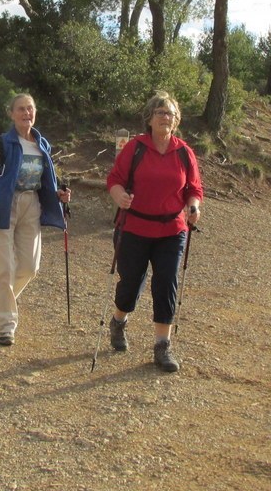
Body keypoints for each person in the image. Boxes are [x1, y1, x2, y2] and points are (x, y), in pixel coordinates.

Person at [105, 90, 203, 372]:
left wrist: (193, 205)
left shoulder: (184, 152)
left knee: (166, 283)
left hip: (172, 229)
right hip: (134, 226)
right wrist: (119, 195)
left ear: (176, 120)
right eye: (160, 112)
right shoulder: (135, 148)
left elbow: (194, 188)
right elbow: (115, 179)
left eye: (170, 113)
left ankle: (162, 346)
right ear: (150, 118)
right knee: (131, 283)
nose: (165, 117)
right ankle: (119, 321)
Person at [0, 93, 71, 347]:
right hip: (1, 206)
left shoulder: (41, 144)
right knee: (3, 268)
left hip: (32, 204)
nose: (27, 113)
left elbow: (45, 179)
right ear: (11, 113)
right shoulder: (2, 143)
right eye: (21, 109)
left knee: (30, 267)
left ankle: (3, 303)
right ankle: (6, 324)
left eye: (30, 109)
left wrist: (59, 193)